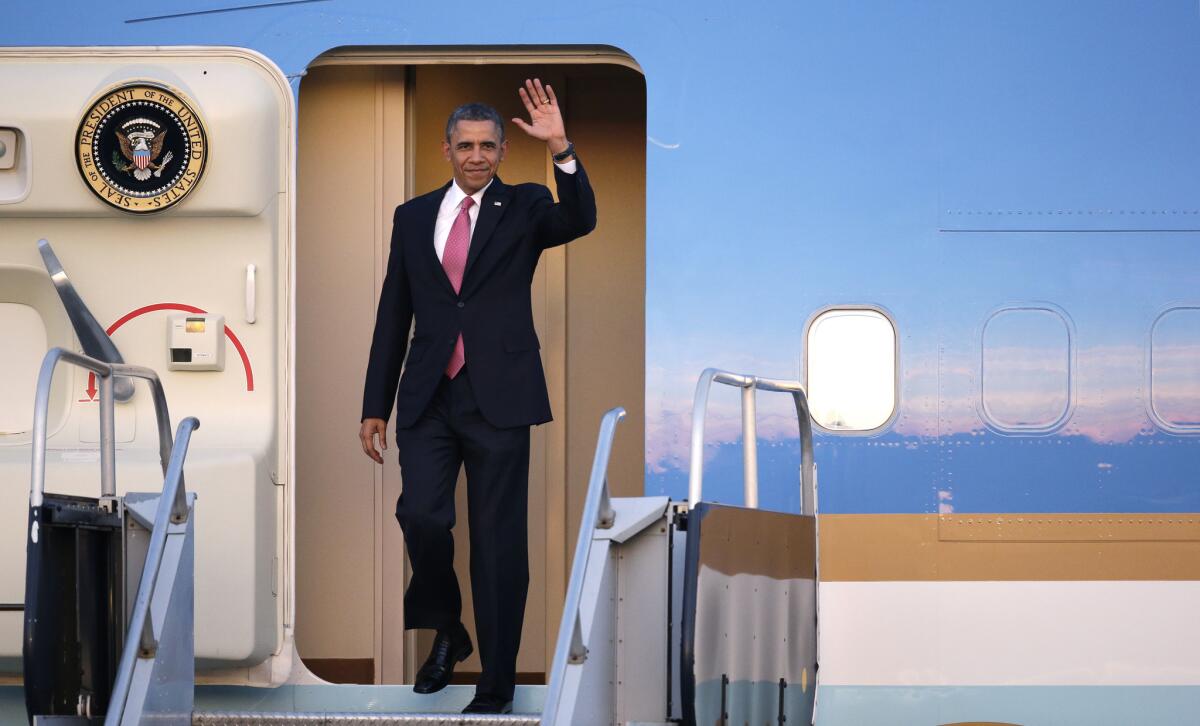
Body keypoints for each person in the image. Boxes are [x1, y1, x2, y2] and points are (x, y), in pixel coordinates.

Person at [358, 79, 596, 715]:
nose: (477, 156)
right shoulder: (412, 217)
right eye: (466, 145)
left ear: (501, 152)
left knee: (498, 545)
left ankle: (495, 686)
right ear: (446, 150)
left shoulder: (524, 206)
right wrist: (374, 403)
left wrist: (562, 147)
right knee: (422, 517)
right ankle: (450, 628)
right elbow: (393, 314)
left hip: (501, 397)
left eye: (488, 145)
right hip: (429, 396)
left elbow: (580, 218)